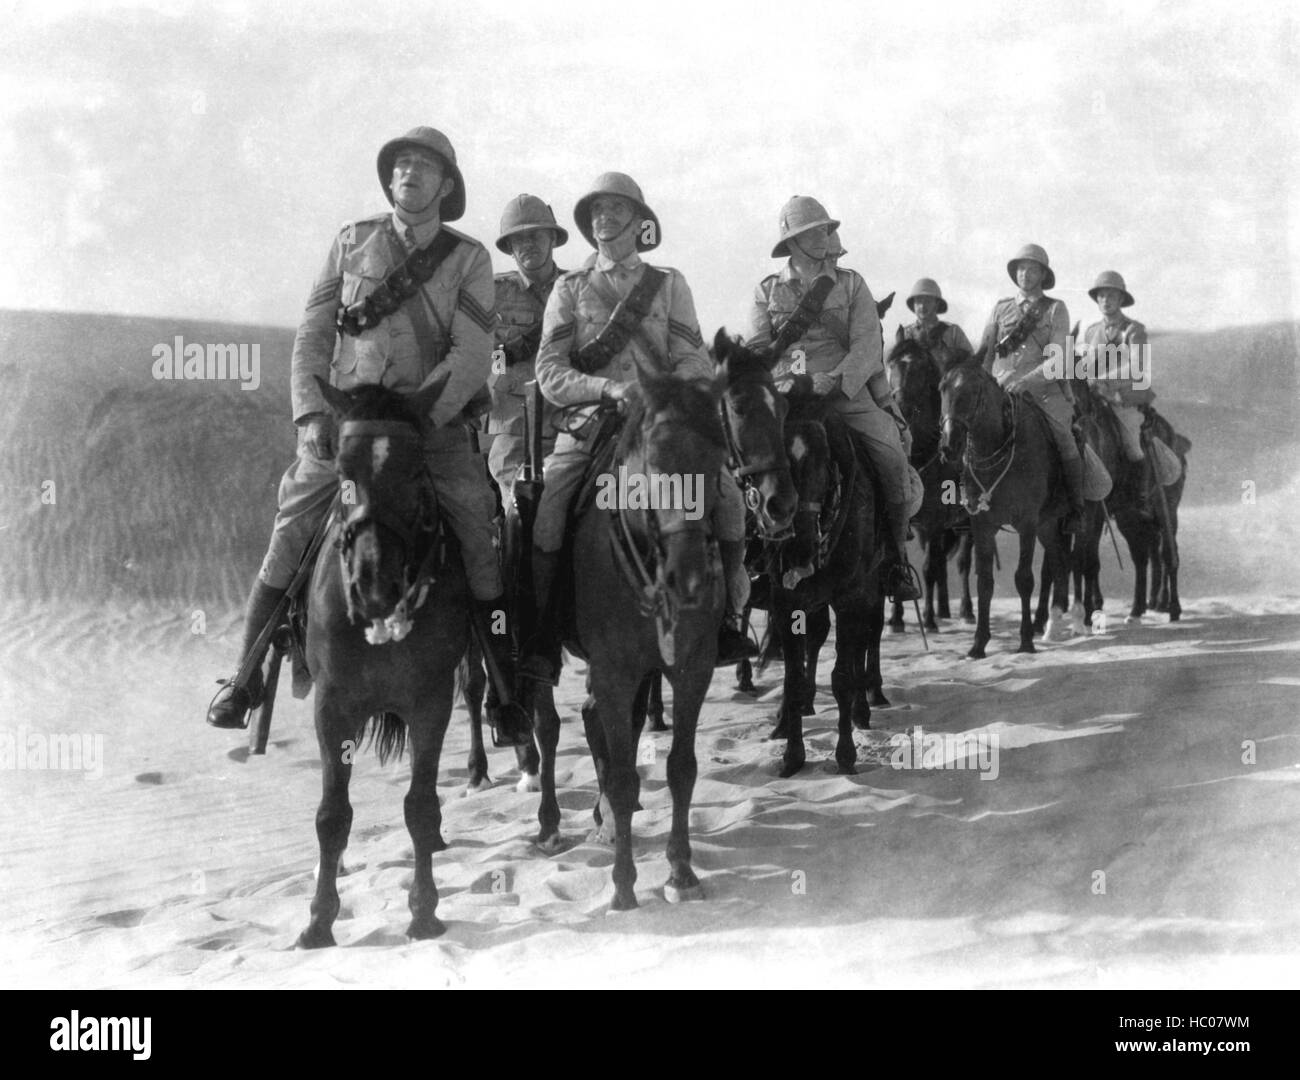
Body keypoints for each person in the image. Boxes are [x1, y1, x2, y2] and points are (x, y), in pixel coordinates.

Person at [207, 126, 528, 743]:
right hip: (350, 430)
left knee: (474, 527)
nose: (408, 173)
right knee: (294, 520)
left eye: (423, 166)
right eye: (400, 165)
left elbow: (470, 352)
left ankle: (504, 686)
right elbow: (313, 334)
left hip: (427, 429)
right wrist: (310, 416)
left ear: (446, 185)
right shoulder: (350, 242)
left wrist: (418, 419)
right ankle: (243, 677)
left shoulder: (469, 259)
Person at [519, 172, 756, 683]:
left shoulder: (669, 285)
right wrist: (606, 390)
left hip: (660, 428)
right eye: (596, 210)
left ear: (638, 221)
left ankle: (730, 617)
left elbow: (692, 358)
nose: (604, 217)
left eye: (615, 208)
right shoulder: (569, 288)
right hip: (592, 427)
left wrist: (666, 394)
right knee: (548, 508)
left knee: (729, 499)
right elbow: (550, 371)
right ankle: (543, 632)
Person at [746, 196, 921, 602]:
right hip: (788, 399)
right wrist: (791, 379)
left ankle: (895, 556)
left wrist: (837, 379)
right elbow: (758, 349)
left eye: (826, 229)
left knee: (892, 453)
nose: (824, 237)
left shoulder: (852, 284)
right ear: (793, 242)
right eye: (815, 232)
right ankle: (750, 558)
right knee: (743, 461)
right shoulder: (765, 290)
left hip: (847, 396)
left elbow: (867, 344)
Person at [977, 242, 1085, 533]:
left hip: (1042, 393)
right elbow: (986, 354)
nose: (1025, 273)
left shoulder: (1054, 310)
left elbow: (1060, 360)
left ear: (1042, 274)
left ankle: (1076, 507)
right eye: (1021, 268)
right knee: (965, 437)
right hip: (999, 391)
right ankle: (962, 501)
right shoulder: (1001, 308)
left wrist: (1026, 381)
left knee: (1064, 435)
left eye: (1032, 268)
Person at [487, 195, 568, 509]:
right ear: (509, 247)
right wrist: (502, 359)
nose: (527, 244)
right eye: (517, 239)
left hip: (572, 428)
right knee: (523, 515)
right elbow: (486, 360)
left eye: (535, 235)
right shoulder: (491, 295)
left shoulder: (579, 290)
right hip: (515, 433)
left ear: (551, 238)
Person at [1080, 270, 1151, 464]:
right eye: (1101, 296)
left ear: (1121, 299)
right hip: (1094, 396)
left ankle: (1141, 491)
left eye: (1111, 295)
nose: (1105, 300)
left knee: (1132, 446)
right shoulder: (1091, 331)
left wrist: (1104, 380)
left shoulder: (1133, 330)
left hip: (1124, 398)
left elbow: (1137, 367)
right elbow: (1085, 366)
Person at [896, 278, 974, 370]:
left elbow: (971, 362)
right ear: (913, 304)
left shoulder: (953, 332)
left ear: (936, 304)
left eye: (927, 301)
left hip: (948, 382)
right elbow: (897, 371)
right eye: (918, 301)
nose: (922, 306)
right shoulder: (906, 334)